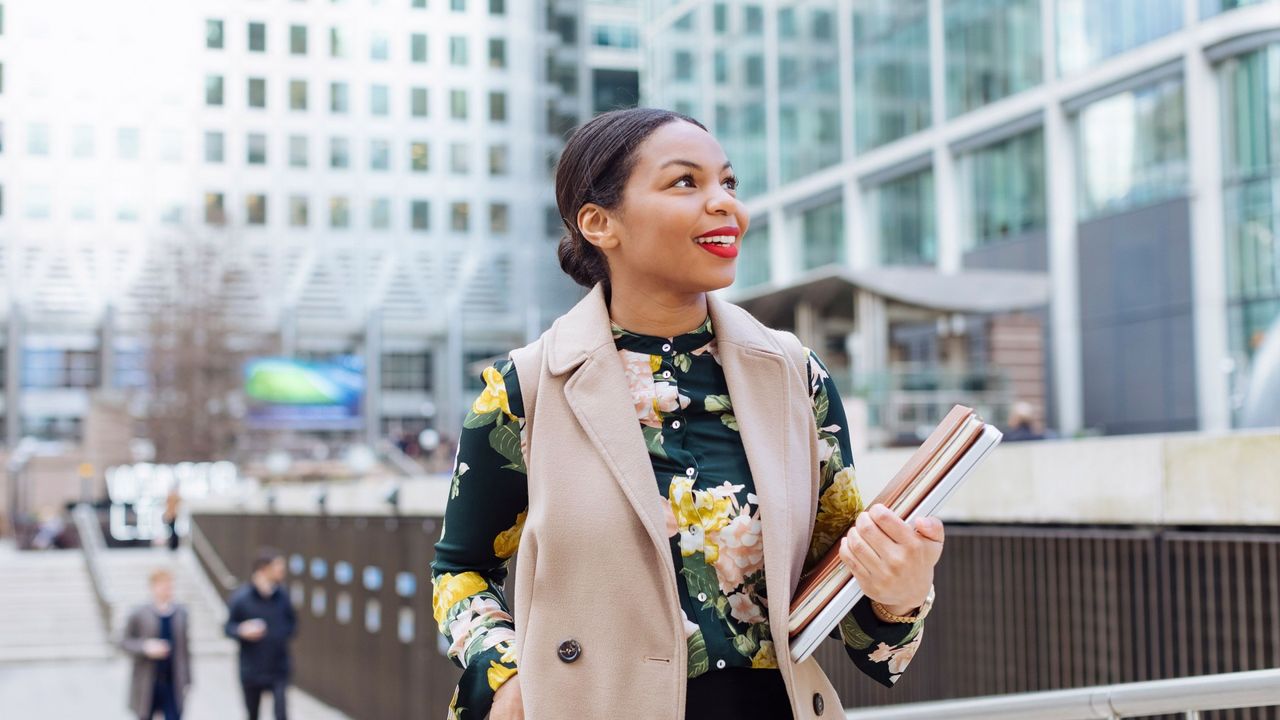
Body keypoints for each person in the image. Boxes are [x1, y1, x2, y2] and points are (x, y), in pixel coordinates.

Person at [431, 108, 945, 720]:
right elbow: (461, 569)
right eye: (685, 182)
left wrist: (900, 593)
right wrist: (507, 675)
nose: (724, 204)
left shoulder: (795, 376)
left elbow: (845, 606)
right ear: (599, 223)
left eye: (728, 183)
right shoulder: (526, 387)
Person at [225, 548, 296, 720]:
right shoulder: (241, 598)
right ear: (264, 569)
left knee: (281, 713)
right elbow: (228, 627)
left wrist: (277, 635)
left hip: (278, 667)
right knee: (252, 714)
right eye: (278, 567)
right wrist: (242, 630)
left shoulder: (282, 596)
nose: (282, 572)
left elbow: (293, 625)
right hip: (252, 669)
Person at [121, 568, 192, 720]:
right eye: (163, 585)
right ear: (153, 587)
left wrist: (187, 678)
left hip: (172, 677)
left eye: (169, 585)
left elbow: (185, 648)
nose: (167, 589)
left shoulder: (181, 613)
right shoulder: (139, 613)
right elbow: (124, 641)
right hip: (148, 677)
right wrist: (145, 647)